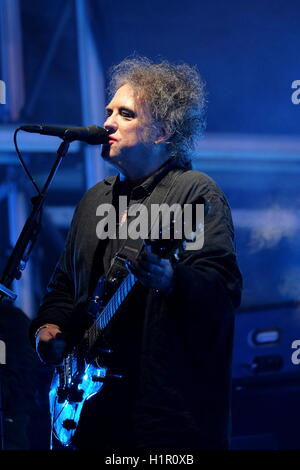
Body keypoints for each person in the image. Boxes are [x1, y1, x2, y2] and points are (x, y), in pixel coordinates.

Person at [29, 57, 242, 450]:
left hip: (165, 420)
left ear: (161, 132)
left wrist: (172, 279)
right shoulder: (94, 201)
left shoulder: (194, 192)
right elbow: (63, 288)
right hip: (91, 417)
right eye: (108, 111)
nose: (107, 122)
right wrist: (47, 328)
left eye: (124, 114)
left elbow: (223, 289)